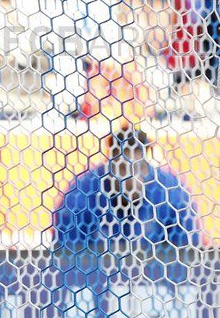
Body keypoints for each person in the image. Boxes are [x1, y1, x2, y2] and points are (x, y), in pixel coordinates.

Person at [52, 124, 199, 315]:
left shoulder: (172, 194)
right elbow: (65, 255)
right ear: (110, 162)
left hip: (154, 288)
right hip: (96, 288)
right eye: (122, 167)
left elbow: (187, 255)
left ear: (147, 163)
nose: (131, 176)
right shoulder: (80, 195)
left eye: (139, 167)